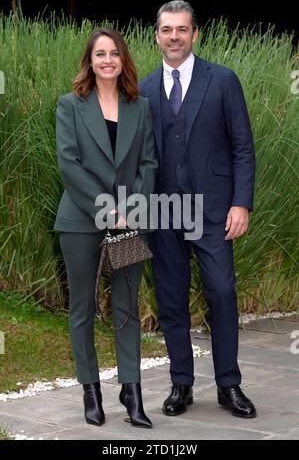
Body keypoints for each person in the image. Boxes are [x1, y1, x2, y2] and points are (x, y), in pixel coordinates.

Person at [139, 0, 257, 418]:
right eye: (167, 29)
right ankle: (181, 384)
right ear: (157, 35)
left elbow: (243, 146)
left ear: (195, 34)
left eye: (182, 29)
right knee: (171, 300)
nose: (174, 36)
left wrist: (241, 202)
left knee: (222, 292)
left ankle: (229, 385)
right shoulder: (145, 87)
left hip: (213, 210)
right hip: (164, 211)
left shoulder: (223, 80)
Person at [54, 27, 157, 429]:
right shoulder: (70, 105)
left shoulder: (140, 106)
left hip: (130, 220)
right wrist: (105, 208)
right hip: (81, 220)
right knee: (82, 307)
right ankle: (91, 392)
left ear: (123, 59)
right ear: (90, 61)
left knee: (127, 308)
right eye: (100, 54)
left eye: (114, 53)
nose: (108, 60)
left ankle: (132, 394)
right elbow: (69, 164)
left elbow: (148, 164)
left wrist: (131, 207)